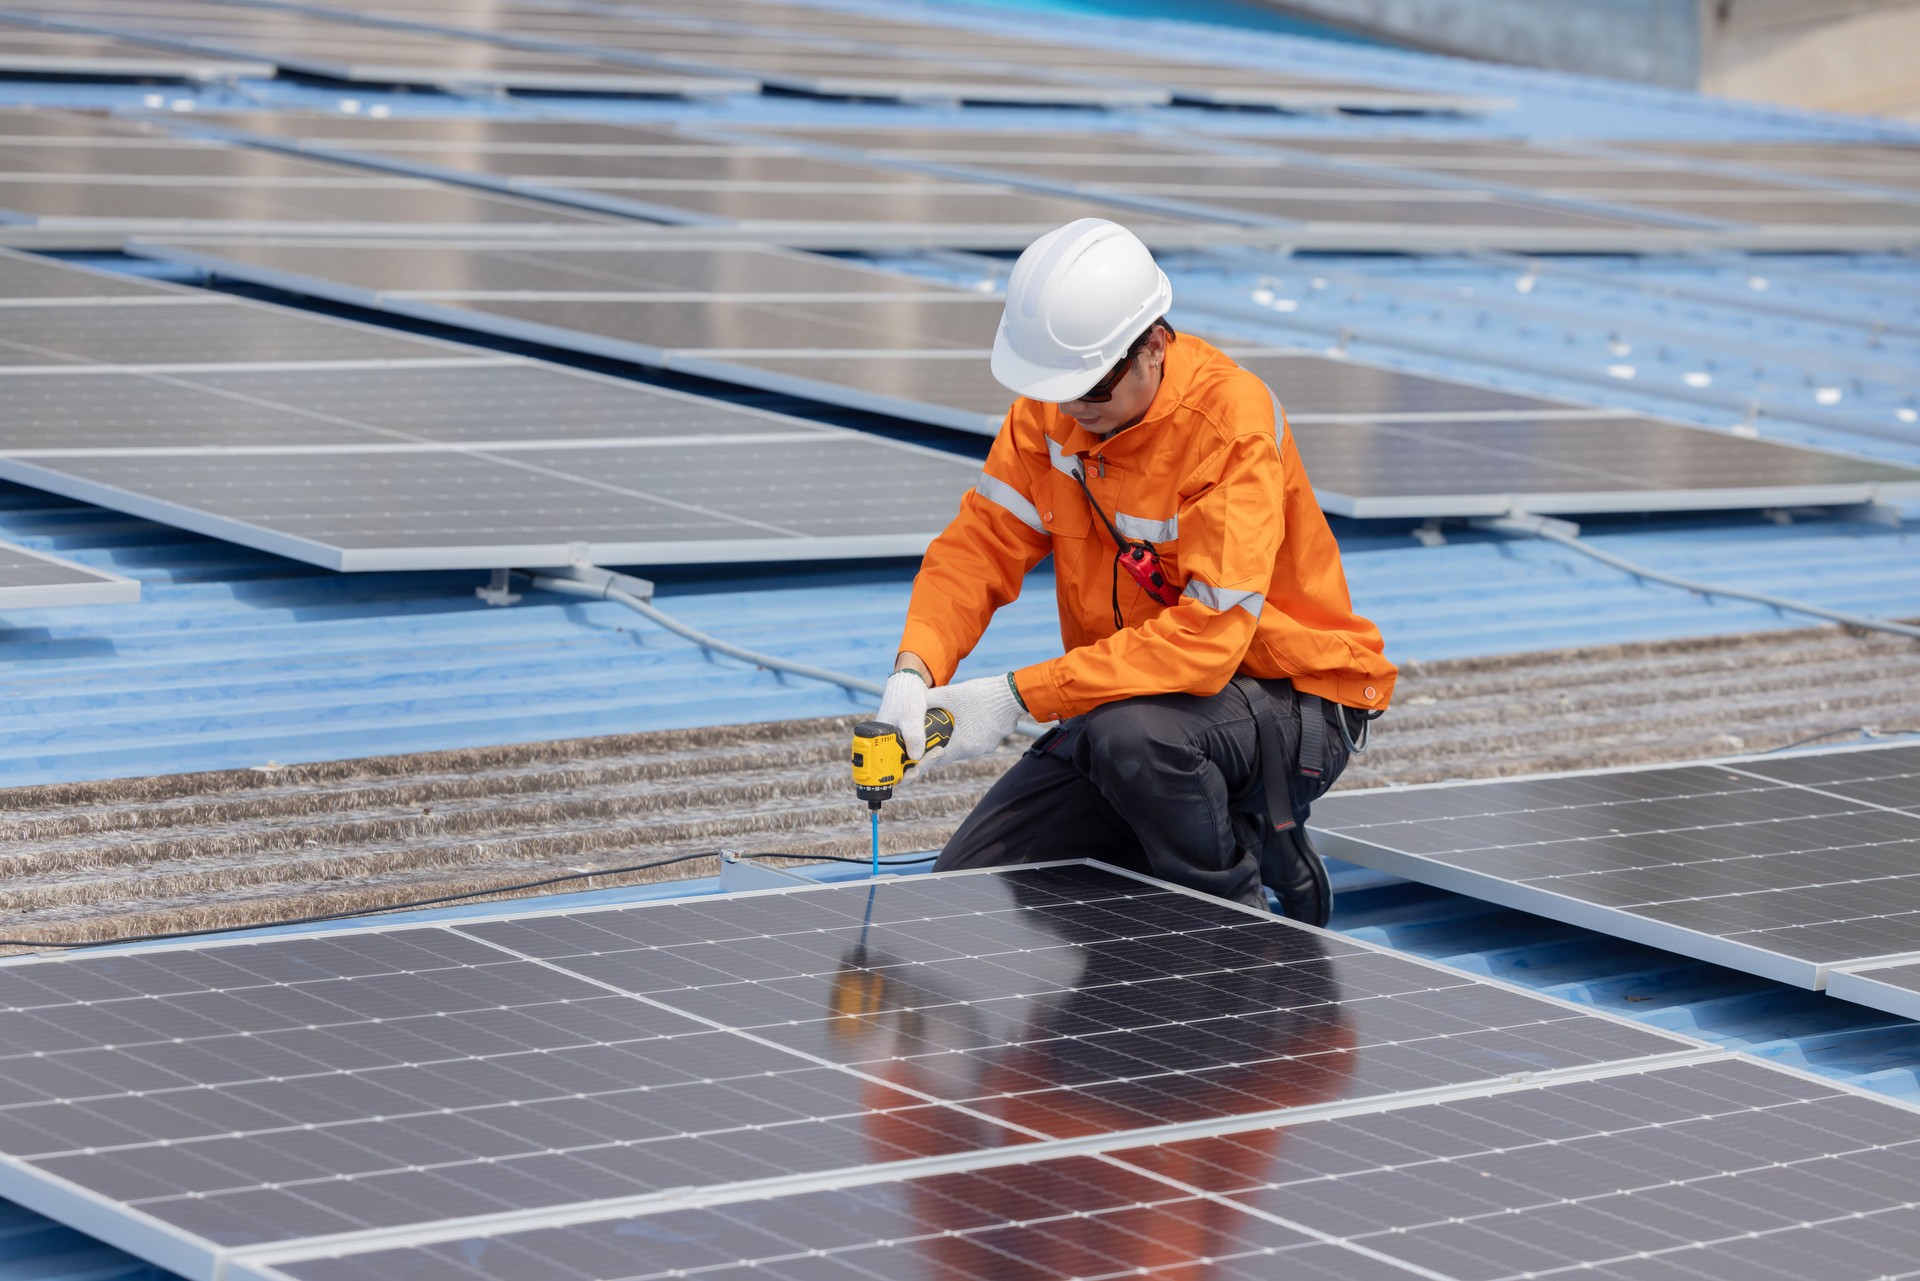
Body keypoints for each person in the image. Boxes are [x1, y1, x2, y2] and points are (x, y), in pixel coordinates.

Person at [874, 217, 1395, 922]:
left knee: (1137, 741)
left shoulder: (1227, 425)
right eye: (1061, 390)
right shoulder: (1049, 416)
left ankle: (1248, 931)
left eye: (1093, 387)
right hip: (1133, 693)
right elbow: (979, 548)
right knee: (974, 882)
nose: (1075, 410)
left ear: (1153, 343)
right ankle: (1215, 830)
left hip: (1289, 695)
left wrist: (1017, 695)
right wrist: (915, 668)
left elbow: (1211, 640)